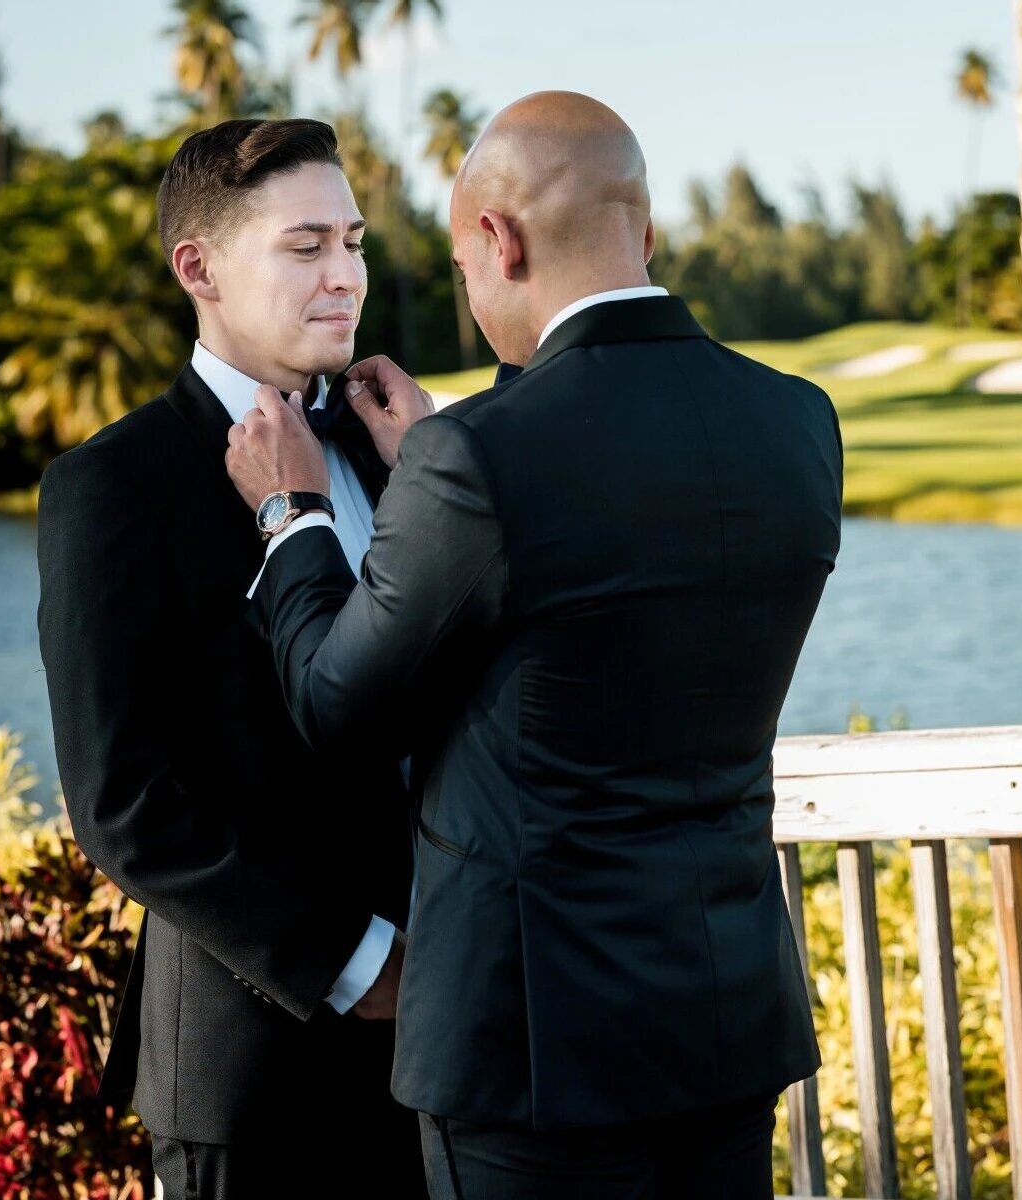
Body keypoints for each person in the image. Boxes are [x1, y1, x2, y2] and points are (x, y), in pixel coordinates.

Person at [224, 91, 842, 1198]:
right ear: (643, 234)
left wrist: (294, 517)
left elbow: (332, 700)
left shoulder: (479, 460)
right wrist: (444, 464)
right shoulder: (796, 422)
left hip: (530, 1055)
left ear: (498, 241)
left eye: (464, 267)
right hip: (725, 1023)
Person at [37, 118, 426, 1199]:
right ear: (198, 267)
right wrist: (358, 965)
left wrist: (436, 475)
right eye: (305, 248)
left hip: (446, 1053)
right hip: (250, 1077)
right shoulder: (112, 487)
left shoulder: (393, 447)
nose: (345, 275)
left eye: (351, 242)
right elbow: (125, 806)